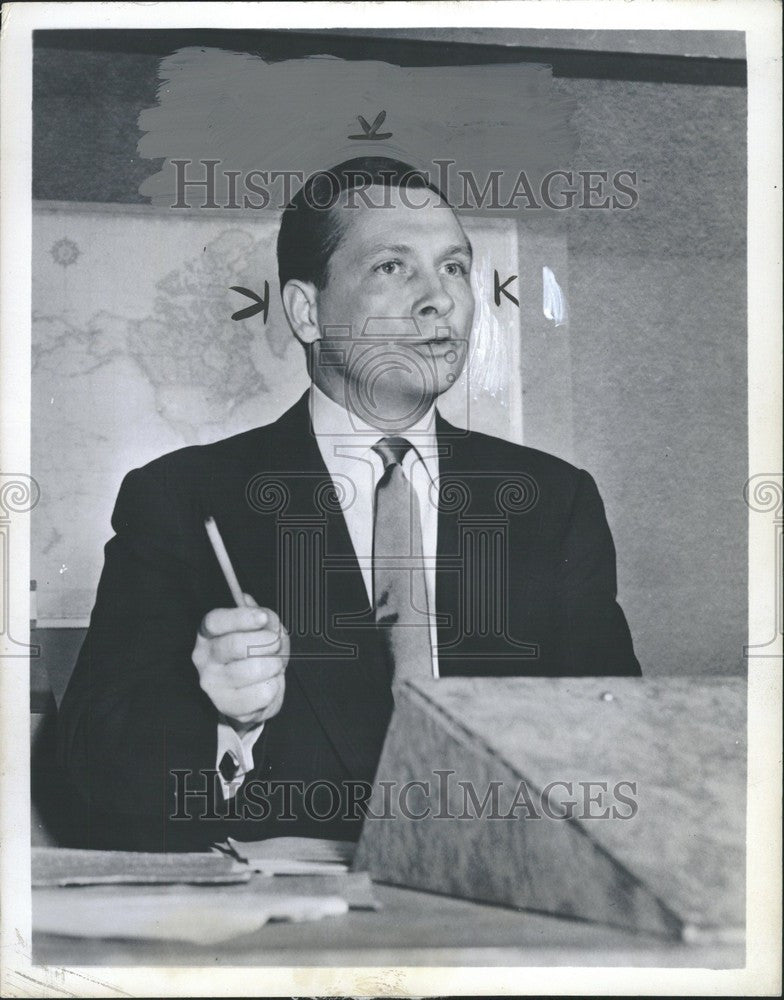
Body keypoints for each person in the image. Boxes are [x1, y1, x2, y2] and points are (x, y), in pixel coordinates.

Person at [57, 157, 640, 851]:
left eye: (454, 267)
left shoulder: (555, 500)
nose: (440, 299)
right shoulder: (180, 497)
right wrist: (226, 718)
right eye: (393, 267)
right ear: (308, 312)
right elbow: (92, 776)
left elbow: (619, 754)